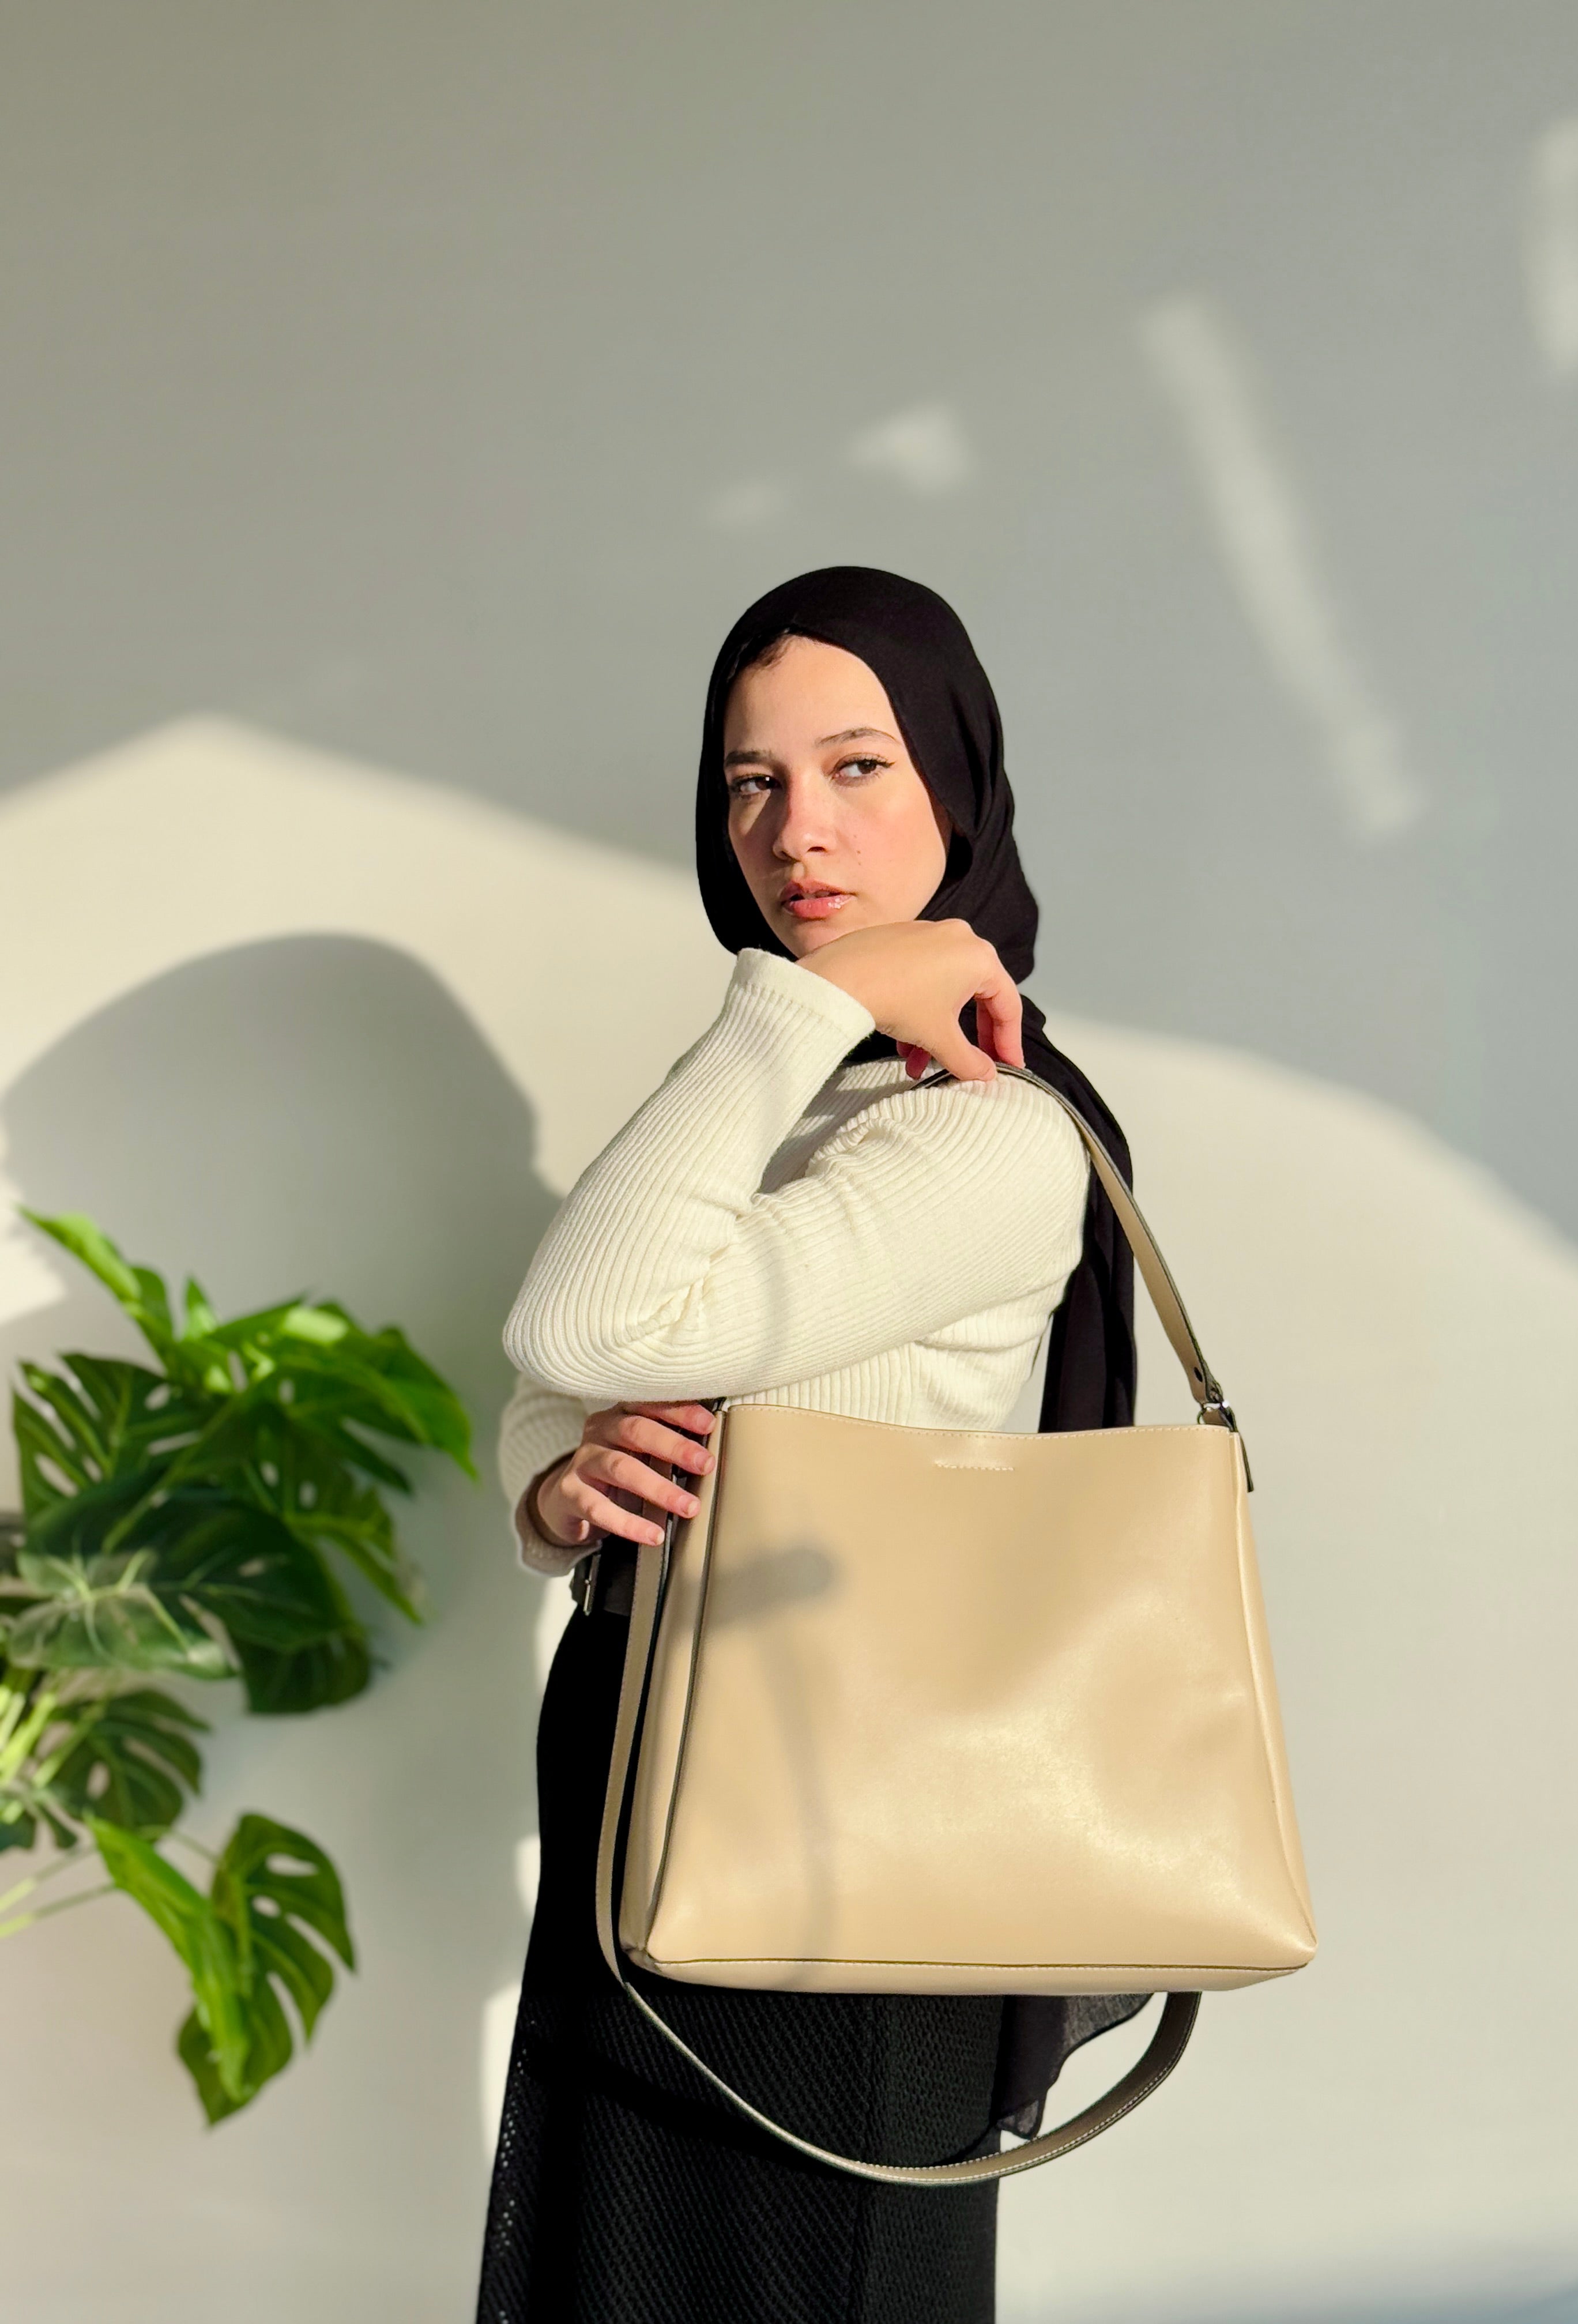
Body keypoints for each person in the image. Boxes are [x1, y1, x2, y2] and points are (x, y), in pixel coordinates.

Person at [476, 566, 1146, 2324]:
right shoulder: (805, 1089)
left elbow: (590, 1318)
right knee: (627, 2271)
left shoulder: (986, 1135)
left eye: (858, 768)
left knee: (794, 2279)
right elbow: (574, 1357)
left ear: (958, 782)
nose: (795, 830)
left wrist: (804, 999)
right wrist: (552, 1477)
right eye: (750, 781)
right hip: (646, 1752)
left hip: (834, 1789)